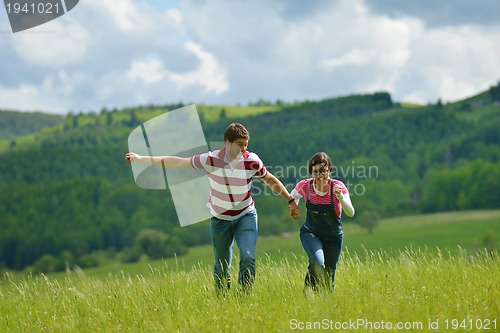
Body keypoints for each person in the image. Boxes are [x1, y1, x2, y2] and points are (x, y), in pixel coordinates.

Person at [126, 123, 296, 295]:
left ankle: (243, 299)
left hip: (246, 215)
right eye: (239, 144)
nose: (244, 148)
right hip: (220, 220)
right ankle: (223, 300)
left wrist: (289, 199)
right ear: (227, 143)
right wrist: (141, 159)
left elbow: (270, 180)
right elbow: (177, 162)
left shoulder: (252, 161)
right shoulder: (210, 160)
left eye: (246, 144)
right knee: (222, 266)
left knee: (247, 257)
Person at [287, 152, 355, 293]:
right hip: (311, 232)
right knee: (318, 262)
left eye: (323, 171)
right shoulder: (306, 186)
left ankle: (324, 303)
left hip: (334, 236)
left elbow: (351, 212)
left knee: (328, 275)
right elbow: (293, 196)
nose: (320, 175)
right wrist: (294, 207)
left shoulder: (338, 187)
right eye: (316, 171)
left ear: (329, 170)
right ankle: (308, 293)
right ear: (311, 172)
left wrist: (341, 198)